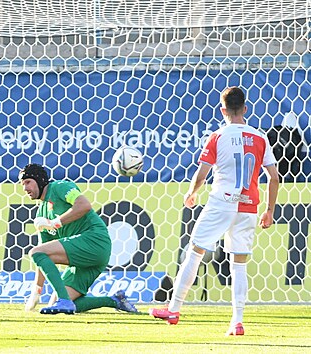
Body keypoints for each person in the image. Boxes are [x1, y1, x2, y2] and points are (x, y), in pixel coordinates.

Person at [149, 86, 280, 336]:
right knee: (239, 263)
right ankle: (237, 321)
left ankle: (174, 309)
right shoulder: (260, 137)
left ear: (222, 110)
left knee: (195, 251)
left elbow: (202, 173)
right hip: (249, 205)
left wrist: (191, 192)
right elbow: (274, 176)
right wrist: (269, 210)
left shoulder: (218, 136)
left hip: (222, 202)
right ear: (245, 109)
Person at [19, 163, 138, 315]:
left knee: (36, 253)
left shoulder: (60, 187)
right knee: (55, 303)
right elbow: (43, 252)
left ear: (39, 179)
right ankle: (115, 300)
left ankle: (65, 301)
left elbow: (84, 205)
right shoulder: (41, 214)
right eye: (22, 184)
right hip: (85, 258)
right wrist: (37, 291)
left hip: (95, 240)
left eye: (27, 182)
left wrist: (54, 223)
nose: (25, 188)